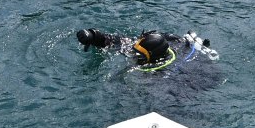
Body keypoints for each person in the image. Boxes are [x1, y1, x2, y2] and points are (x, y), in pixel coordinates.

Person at [76, 27, 214, 73]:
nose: (134, 55)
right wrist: (94, 36)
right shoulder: (141, 46)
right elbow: (114, 41)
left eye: (139, 55)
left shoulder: (162, 73)